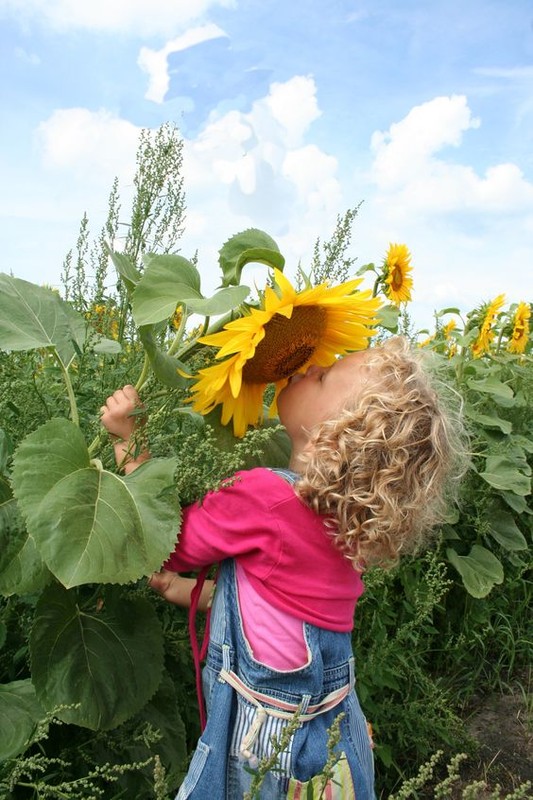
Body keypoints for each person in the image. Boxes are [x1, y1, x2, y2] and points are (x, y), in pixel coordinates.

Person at [100, 336, 464, 800]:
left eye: (326, 375)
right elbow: (278, 607)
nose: (312, 366)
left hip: (264, 747)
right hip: (334, 732)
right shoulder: (346, 527)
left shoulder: (263, 498)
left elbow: (162, 541)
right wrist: (183, 589)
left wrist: (131, 442)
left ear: (338, 432)